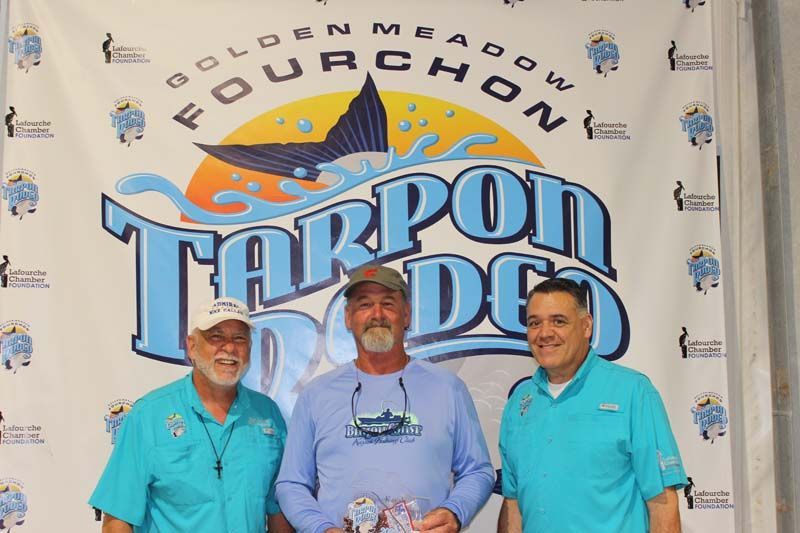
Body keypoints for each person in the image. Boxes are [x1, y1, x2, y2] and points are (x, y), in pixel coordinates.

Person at [276, 264, 495, 533]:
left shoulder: (448, 388)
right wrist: (320, 528)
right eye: (365, 304)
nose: (377, 314)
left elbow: (478, 470)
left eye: (388, 304)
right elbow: (291, 484)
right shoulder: (316, 395)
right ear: (348, 317)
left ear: (406, 315)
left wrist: (455, 511)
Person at [89, 297, 293, 533]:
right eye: (216, 336)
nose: (229, 348)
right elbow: (118, 517)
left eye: (239, 338)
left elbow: (279, 511)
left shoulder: (267, 414)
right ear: (192, 346)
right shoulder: (149, 415)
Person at [498, 278, 686, 533]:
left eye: (559, 321)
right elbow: (513, 502)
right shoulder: (520, 402)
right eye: (534, 323)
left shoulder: (633, 392)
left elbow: (662, 503)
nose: (544, 333)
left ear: (586, 326)